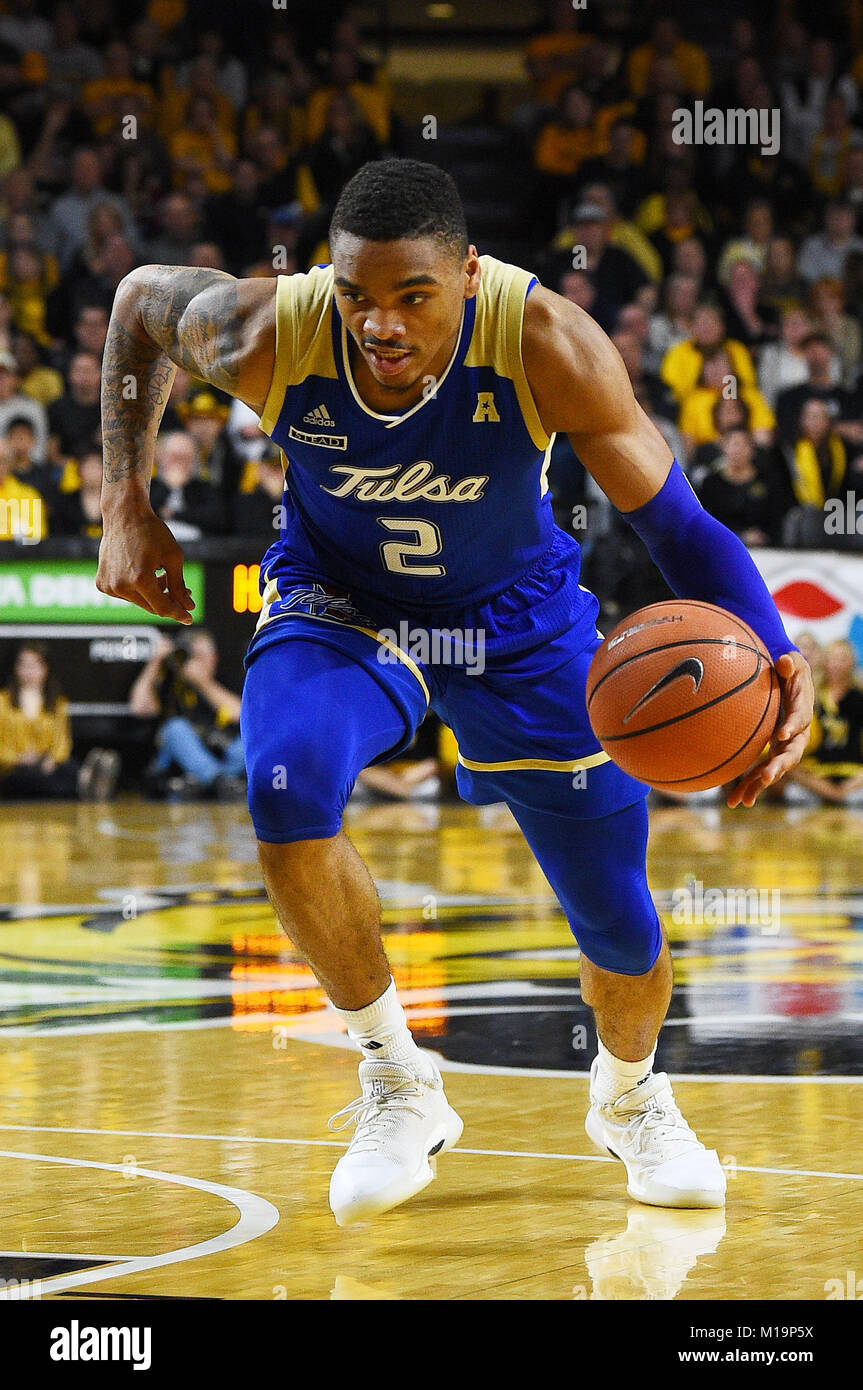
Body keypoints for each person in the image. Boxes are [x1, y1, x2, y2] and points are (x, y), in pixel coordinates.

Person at [96, 158, 813, 1229]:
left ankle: (629, 1097)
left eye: (412, 296)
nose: (378, 325)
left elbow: (675, 524)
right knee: (285, 785)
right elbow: (137, 303)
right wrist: (124, 499)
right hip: (342, 602)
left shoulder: (545, 341)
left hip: (517, 621)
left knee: (618, 921)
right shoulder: (265, 333)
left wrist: (777, 655)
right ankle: (396, 1077)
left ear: (468, 275)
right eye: (355, 294)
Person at [128, 629, 245, 800]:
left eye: (202, 656)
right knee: (175, 728)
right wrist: (156, 662)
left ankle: (208, 783)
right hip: (177, 765)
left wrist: (203, 683)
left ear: (214, 657)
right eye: (192, 656)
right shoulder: (169, 683)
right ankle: (217, 782)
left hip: (219, 757)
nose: (197, 662)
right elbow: (139, 708)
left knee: (245, 744)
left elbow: (241, 716)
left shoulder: (225, 681)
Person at [0, 641, 118, 799]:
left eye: (35, 666)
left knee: (67, 768)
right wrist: (18, 759)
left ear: (45, 668)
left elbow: (62, 743)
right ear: (16, 668)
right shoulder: (2, 702)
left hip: (45, 765)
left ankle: (88, 781)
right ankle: (83, 785)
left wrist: (51, 760)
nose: (29, 672)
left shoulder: (57, 703)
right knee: (26, 779)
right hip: (13, 768)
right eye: (24, 665)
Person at [788, 640, 863, 804]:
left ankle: (835, 796)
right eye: (833, 658)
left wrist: (854, 783)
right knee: (789, 767)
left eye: (842, 658)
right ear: (825, 661)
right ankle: (836, 796)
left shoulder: (858, 695)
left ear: (851, 662)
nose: (837, 664)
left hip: (854, 770)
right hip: (818, 771)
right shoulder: (813, 695)